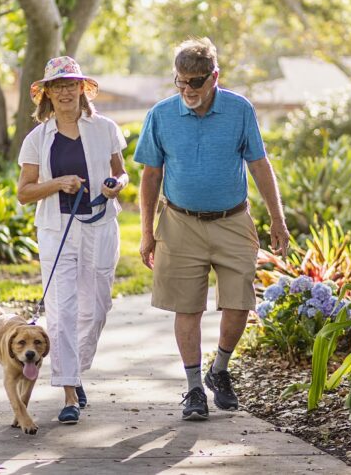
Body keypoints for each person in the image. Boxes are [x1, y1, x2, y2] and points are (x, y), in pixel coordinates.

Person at [134, 37, 291, 420]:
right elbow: (150, 175)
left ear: (214, 76)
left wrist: (277, 218)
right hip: (179, 222)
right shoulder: (161, 115)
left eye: (196, 82)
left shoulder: (239, 110)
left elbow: (259, 165)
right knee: (186, 306)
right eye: (180, 81)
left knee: (239, 303)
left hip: (232, 220)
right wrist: (146, 231)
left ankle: (219, 370)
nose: (187, 90)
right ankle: (192, 391)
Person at [16, 56, 128, 425]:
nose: (65, 92)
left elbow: (121, 173)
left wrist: (116, 187)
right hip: (57, 230)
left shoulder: (105, 128)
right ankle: (68, 391)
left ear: (82, 89)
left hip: (100, 225)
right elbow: (25, 192)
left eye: (71, 84)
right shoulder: (37, 138)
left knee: (96, 309)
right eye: (57, 86)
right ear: (47, 94)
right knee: (62, 309)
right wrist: (58, 184)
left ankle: (74, 370)